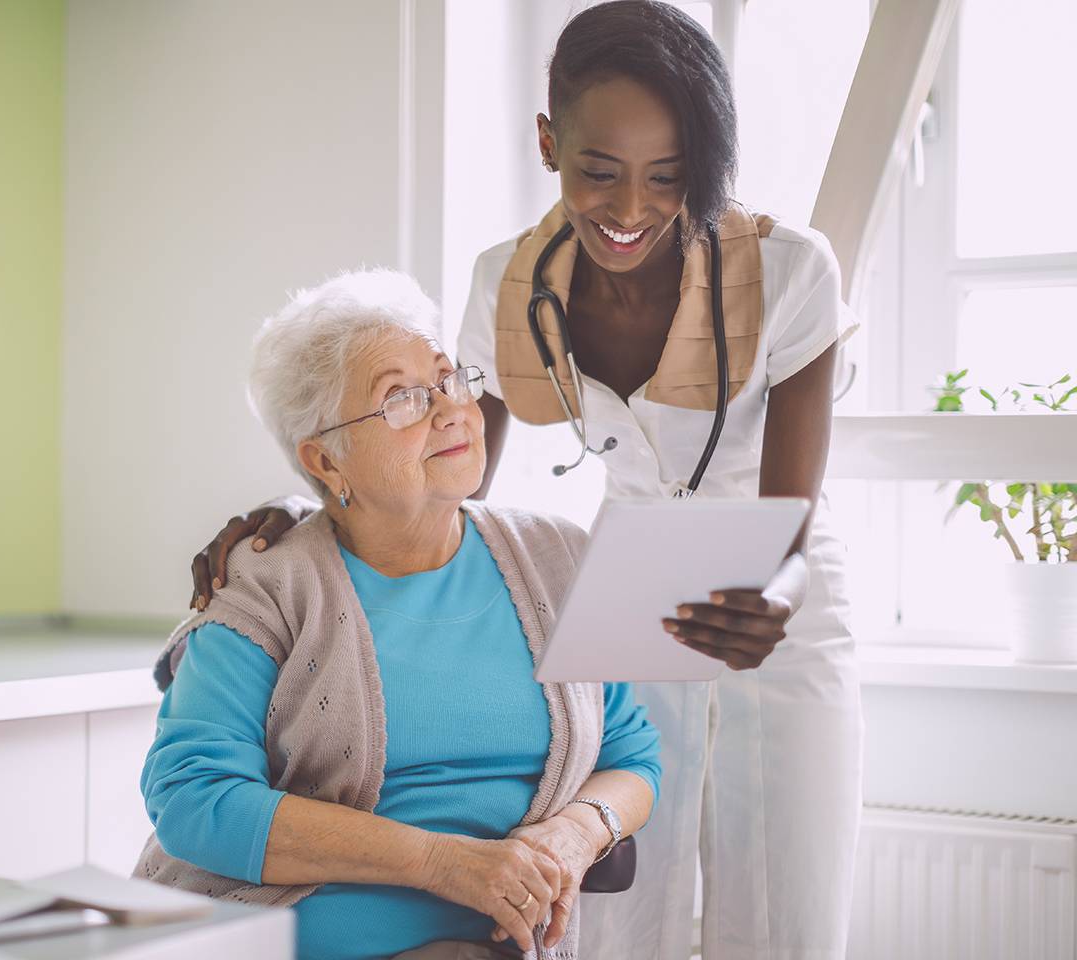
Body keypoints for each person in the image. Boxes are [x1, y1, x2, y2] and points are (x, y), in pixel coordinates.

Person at [187, 4, 863, 958]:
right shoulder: (508, 280)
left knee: (786, 904)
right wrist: (305, 512)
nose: (630, 210)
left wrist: (774, 598)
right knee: (625, 902)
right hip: (636, 573)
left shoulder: (791, 270)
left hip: (780, 583)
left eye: (668, 177)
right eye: (599, 172)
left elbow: (788, 518)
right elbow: (444, 469)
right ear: (549, 143)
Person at [137, 269, 662, 960]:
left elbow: (632, 757)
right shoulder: (268, 586)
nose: (450, 410)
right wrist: (441, 863)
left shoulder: (558, 558)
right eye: (402, 399)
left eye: (448, 380)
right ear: (327, 459)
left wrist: (579, 832)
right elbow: (193, 797)